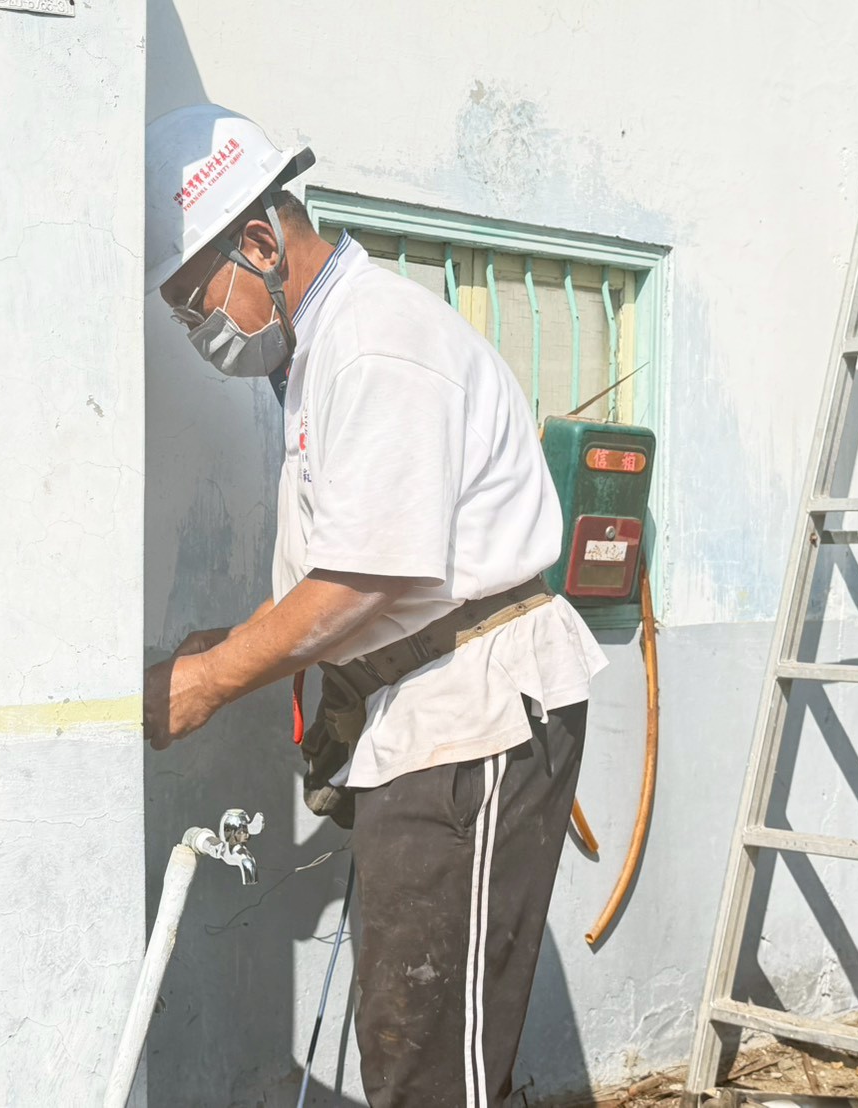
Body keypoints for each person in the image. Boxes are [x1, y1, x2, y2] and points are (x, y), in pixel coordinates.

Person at [143, 103, 608, 1108]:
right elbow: (351, 565)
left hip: (473, 720)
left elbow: (364, 580)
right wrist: (229, 643)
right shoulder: (325, 352)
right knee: (409, 1040)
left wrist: (208, 682)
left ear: (258, 242)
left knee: (436, 1066)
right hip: (426, 722)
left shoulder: (376, 344)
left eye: (194, 300)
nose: (197, 331)